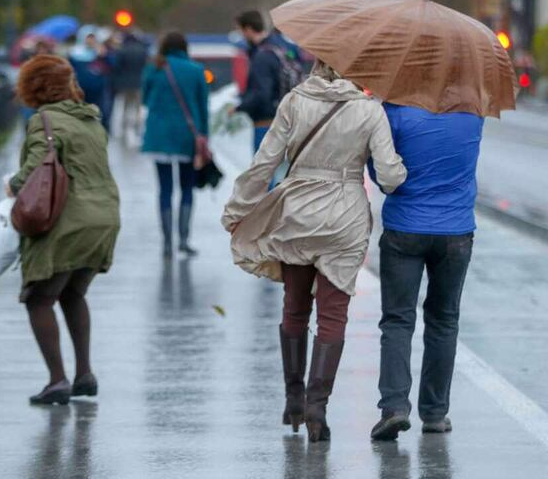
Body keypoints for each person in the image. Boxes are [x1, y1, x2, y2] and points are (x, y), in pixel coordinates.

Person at [222, 60, 406, 442]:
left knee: (294, 306)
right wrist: (400, 174)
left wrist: (237, 210)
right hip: (345, 218)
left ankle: (293, 398)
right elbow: (389, 176)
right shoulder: (369, 110)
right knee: (333, 315)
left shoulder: (294, 100)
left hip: (299, 213)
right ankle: (317, 408)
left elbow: (264, 162)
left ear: (319, 64)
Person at [7, 54, 121, 405]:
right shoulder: (91, 120)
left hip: (68, 222)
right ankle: (84, 374)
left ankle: (57, 380)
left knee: (39, 298)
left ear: (33, 87)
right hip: (104, 217)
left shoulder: (45, 121)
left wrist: (12, 186)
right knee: (73, 293)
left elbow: (33, 171)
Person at [368, 104, 484, 441]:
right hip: (456, 232)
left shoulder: (394, 114)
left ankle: (394, 407)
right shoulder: (473, 115)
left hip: (404, 228)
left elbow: (380, 175)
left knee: (397, 320)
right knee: (444, 320)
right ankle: (434, 413)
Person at [142, 31, 209, 258]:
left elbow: (145, 99)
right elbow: (203, 107)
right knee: (187, 188)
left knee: (164, 189)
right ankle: (183, 239)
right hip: (187, 138)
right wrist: (204, 137)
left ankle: (167, 243)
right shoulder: (196, 70)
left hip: (158, 136)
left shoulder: (154, 67)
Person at [232, 10, 298, 154]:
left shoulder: (261, 56)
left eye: (241, 31)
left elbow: (261, 93)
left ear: (248, 29)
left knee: (263, 173)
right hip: (287, 120)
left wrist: (239, 107)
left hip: (266, 122)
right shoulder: (280, 47)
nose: (242, 36)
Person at [114, 31, 148, 140]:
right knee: (138, 107)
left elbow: (117, 67)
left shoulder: (122, 50)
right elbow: (146, 66)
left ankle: (124, 126)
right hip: (139, 82)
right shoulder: (143, 50)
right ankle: (137, 126)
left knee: (125, 106)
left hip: (125, 83)